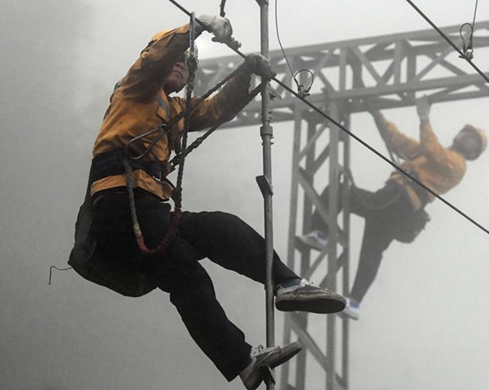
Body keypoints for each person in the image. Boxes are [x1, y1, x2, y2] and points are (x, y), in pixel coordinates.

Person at [68, 16, 345, 390]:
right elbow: (155, 59)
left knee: (219, 227)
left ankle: (286, 285)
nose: (182, 66)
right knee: (185, 271)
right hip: (119, 205)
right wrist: (194, 28)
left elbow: (215, 109)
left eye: (188, 65)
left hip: (149, 208)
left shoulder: (174, 110)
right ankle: (241, 359)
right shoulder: (134, 91)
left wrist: (246, 73)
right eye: (179, 61)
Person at [300, 95, 487, 320]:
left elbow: (432, 150)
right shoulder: (428, 153)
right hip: (395, 206)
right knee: (372, 250)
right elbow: (397, 140)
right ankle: (355, 302)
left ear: (474, 153)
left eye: (472, 140)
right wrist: (377, 114)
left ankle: (320, 234)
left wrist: (424, 117)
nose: (466, 138)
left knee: (338, 192)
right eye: (467, 134)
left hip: (398, 202)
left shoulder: (456, 164)